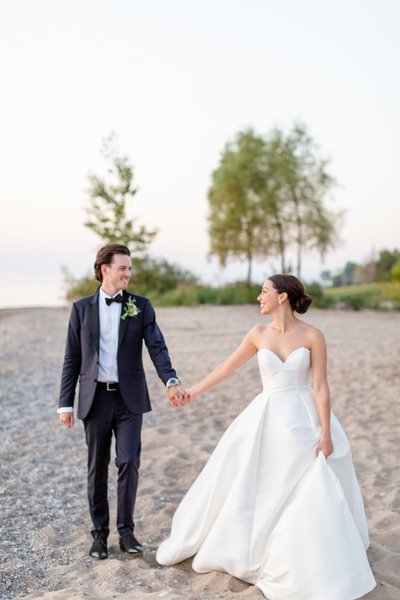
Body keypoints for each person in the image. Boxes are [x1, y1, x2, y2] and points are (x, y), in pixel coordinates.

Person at [157, 274, 376, 599]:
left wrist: (326, 432)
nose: (260, 297)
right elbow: (226, 368)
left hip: (305, 420)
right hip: (268, 417)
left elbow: (320, 386)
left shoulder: (313, 335)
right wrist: (193, 392)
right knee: (262, 482)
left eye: (264, 292)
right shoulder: (258, 334)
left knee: (310, 484)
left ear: (283, 297)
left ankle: (308, 554)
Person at [58, 243, 189, 560]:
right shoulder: (81, 309)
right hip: (95, 399)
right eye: (123, 268)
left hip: (130, 400)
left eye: (130, 268)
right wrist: (66, 403)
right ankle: (99, 536)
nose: (128, 273)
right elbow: (72, 359)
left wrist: (170, 380)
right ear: (105, 269)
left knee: (129, 461)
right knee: (96, 468)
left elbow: (157, 346)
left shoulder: (140, 306)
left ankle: (126, 532)